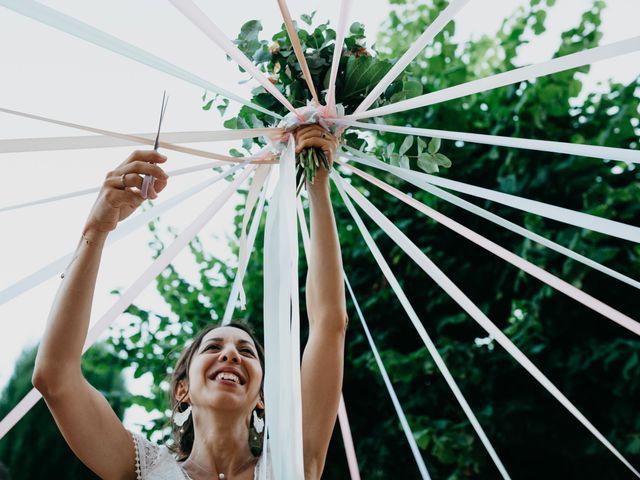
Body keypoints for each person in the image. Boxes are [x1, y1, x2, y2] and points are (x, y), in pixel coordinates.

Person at [31, 124, 347, 480]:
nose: (231, 355)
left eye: (246, 352)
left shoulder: (292, 461)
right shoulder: (144, 469)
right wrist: (96, 230)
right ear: (183, 388)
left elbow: (329, 324)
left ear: (262, 396)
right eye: (213, 346)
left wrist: (317, 182)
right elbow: (54, 377)